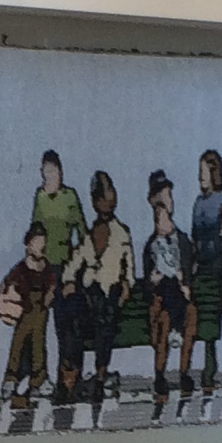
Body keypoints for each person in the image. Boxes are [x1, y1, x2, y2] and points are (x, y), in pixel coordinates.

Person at [58, 168, 133, 403]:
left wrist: (126, 286)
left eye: (110, 194)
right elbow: (73, 264)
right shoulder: (88, 237)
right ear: (95, 202)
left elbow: (129, 271)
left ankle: (99, 377)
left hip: (110, 294)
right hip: (91, 293)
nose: (107, 201)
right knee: (73, 310)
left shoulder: (122, 234)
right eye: (101, 197)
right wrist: (69, 281)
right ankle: (71, 377)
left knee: (106, 316)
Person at [140, 171, 192, 395]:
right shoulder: (151, 246)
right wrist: (153, 281)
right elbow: (148, 281)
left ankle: (184, 373)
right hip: (162, 298)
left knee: (189, 312)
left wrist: (185, 282)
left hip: (181, 296)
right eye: (161, 198)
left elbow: (188, 269)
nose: (167, 202)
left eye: (169, 196)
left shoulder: (182, 240)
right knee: (163, 317)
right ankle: (160, 374)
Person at [187, 148, 222, 391]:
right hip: (201, 267)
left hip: (216, 267)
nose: (200, 177)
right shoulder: (198, 203)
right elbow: (194, 236)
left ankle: (210, 368)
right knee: (198, 316)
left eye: (203, 172)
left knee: (212, 320)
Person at [0, 222, 56, 402]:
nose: (41, 247)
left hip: (41, 309)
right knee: (19, 343)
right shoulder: (22, 268)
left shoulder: (45, 266)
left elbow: (52, 283)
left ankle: (39, 380)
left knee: (39, 343)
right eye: (37, 242)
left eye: (43, 243)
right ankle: (11, 379)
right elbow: (9, 284)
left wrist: (50, 294)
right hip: (25, 309)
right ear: (28, 245)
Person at [31, 150, 85, 274]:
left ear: (60, 172)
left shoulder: (70, 196)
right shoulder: (40, 196)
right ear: (42, 173)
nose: (51, 176)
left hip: (66, 262)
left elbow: (82, 231)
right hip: (43, 263)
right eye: (47, 171)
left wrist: (81, 257)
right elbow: (34, 230)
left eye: (54, 171)